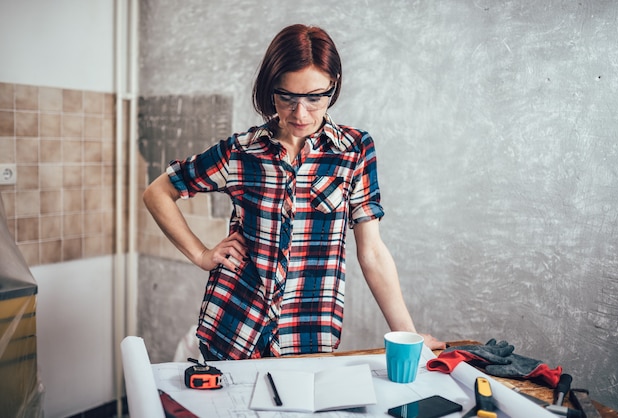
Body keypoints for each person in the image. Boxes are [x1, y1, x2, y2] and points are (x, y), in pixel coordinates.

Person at [143, 24, 445, 360]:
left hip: (308, 340)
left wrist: (408, 334)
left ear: (334, 86)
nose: (300, 113)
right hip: (232, 331)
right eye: (286, 97)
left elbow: (371, 252)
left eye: (315, 98)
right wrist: (201, 255)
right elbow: (158, 192)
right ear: (270, 88)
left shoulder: (354, 151)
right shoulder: (241, 152)